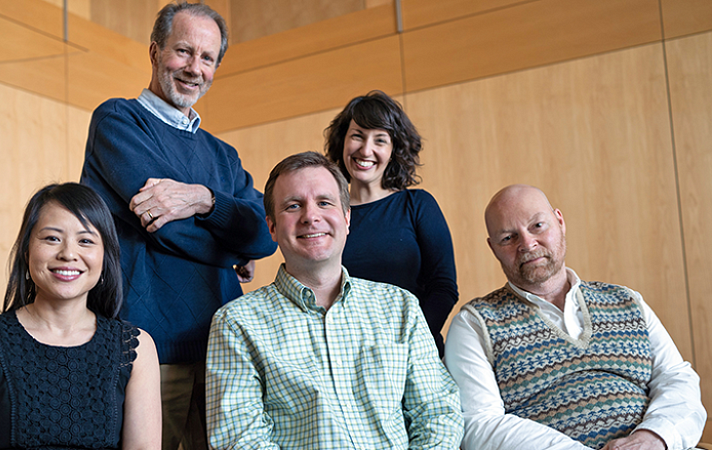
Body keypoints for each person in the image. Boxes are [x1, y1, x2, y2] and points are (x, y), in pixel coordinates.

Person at [80, 2, 277, 449]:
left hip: (224, 354)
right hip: (147, 350)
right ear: (154, 52)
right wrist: (233, 251)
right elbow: (163, 227)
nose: (194, 68)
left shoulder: (224, 156)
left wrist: (203, 200)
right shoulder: (118, 120)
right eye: (183, 52)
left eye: (207, 58)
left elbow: (266, 234)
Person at [206, 151, 464, 449]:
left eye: (324, 203)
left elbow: (437, 413)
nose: (311, 216)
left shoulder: (400, 307)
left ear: (346, 218)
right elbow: (239, 440)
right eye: (293, 206)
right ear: (272, 228)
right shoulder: (236, 324)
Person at [444, 184, 706, 450]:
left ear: (559, 221)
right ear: (493, 248)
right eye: (508, 238)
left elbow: (676, 378)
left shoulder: (626, 300)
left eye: (537, 226)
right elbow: (479, 424)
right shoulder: (475, 324)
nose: (527, 243)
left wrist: (653, 438)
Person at [0, 182, 161, 449]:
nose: (68, 254)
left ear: (105, 257)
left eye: (86, 241)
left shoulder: (136, 348)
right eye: (52, 238)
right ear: (26, 250)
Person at [324, 90, 458, 357]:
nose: (366, 150)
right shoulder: (328, 214)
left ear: (394, 149)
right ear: (343, 142)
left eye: (380, 140)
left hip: (414, 353)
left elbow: (443, 288)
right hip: (346, 358)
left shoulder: (417, 205)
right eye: (357, 136)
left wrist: (404, 344)